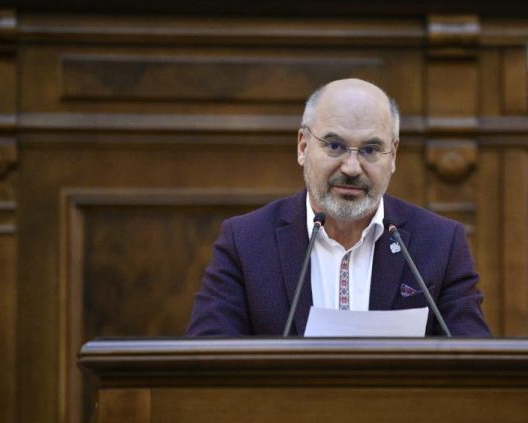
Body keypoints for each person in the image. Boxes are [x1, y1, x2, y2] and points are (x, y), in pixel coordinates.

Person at [186, 78, 490, 337]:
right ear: (303, 147)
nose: (352, 167)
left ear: (393, 155)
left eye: (371, 149)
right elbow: (210, 357)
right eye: (334, 146)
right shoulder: (245, 241)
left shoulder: (440, 242)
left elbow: (472, 362)